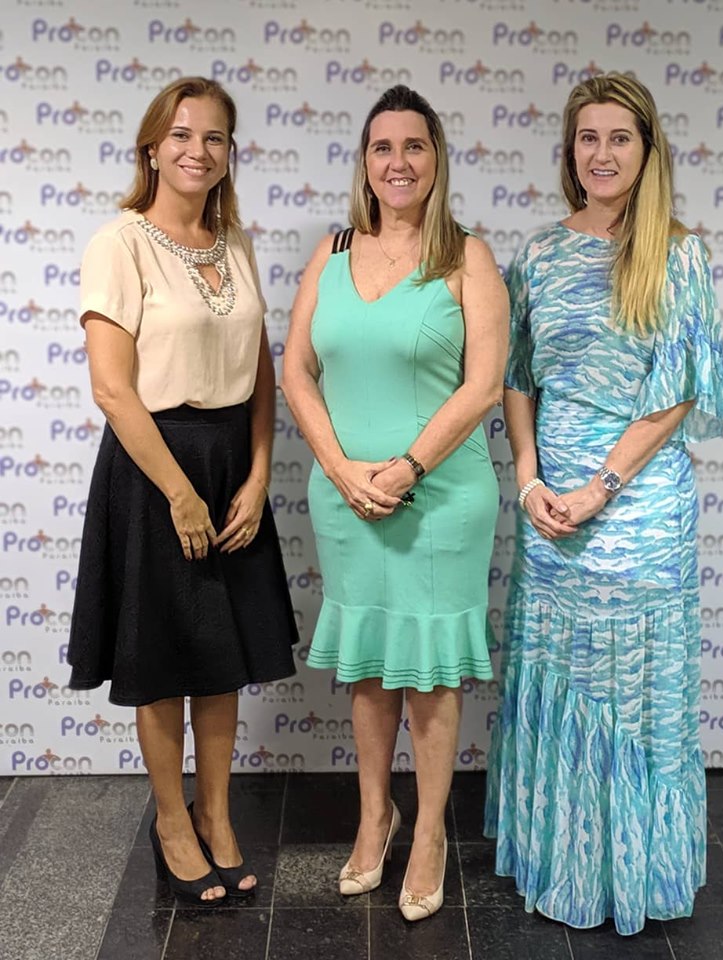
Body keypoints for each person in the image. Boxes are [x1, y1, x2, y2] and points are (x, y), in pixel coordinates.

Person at [484, 73, 723, 936]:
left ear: (646, 148)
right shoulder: (537, 254)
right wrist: (528, 480)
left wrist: (600, 488)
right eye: (586, 137)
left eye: (618, 137)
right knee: (557, 686)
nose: (601, 153)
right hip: (550, 508)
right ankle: (563, 864)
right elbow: (516, 376)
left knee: (635, 699)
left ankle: (635, 875)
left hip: (638, 508)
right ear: (569, 151)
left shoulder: (678, 254)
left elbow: (677, 392)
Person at [66, 77, 299, 905]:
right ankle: (171, 821)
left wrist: (259, 474)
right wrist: (178, 492)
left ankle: (216, 815)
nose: (197, 150)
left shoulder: (234, 242)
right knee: (163, 655)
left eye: (214, 137)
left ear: (230, 153)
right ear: (152, 147)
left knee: (220, 654)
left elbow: (261, 373)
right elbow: (112, 388)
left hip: (231, 460)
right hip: (153, 466)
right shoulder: (119, 242)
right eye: (181, 134)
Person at [282, 84, 508, 921]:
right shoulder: (332, 251)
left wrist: (407, 468)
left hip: (439, 497)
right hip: (345, 497)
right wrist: (341, 469)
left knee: (431, 672)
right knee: (371, 664)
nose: (398, 162)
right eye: (383, 147)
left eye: (414, 146)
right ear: (365, 162)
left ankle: (430, 833)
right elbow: (295, 370)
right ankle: (375, 816)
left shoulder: (467, 257)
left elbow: (483, 385)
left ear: (436, 159)